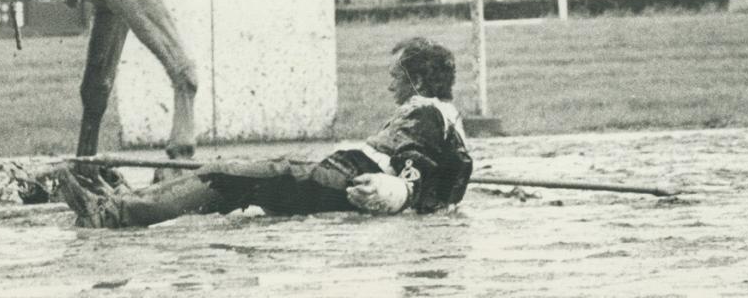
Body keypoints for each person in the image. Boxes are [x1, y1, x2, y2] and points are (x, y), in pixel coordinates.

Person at [56, 37, 473, 228]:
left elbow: (417, 167)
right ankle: (128, 203)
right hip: (336, 177)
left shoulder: (428, 115)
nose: (389, 87)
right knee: (231, 179)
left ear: (417, 80)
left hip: (338, 183)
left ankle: (114, 213)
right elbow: (438, 174)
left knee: (226, 173)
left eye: (395, 77)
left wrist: (398, 191)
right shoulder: (442, 118)